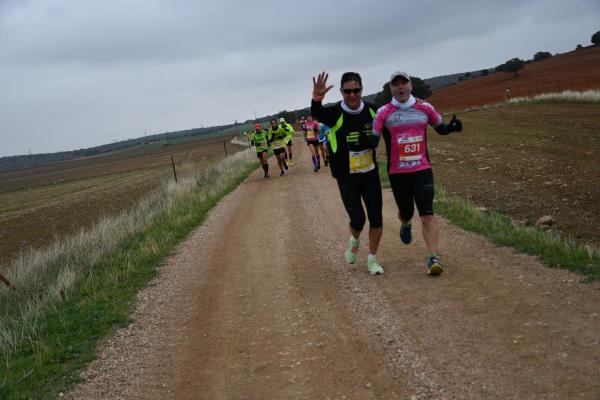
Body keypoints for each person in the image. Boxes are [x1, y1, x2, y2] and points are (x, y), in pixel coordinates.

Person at [372, 71, 463, 275]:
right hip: (397, 173)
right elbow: (373, 139)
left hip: (422, 170)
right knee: (407, 212)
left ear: (411, 86)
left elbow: (441, 128)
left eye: (404, 83)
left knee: (427, 214)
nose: (400, 87)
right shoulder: (383, 112)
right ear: (391, 89)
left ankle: (433, 258)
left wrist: (453, 128)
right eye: (396, 84)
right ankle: (405, 223)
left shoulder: (425, 108)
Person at [311, 71, 384, 276]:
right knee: (358, 219)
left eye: (356, 90)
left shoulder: (372, 111)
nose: (352, 95)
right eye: (347, 91)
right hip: (346, 177)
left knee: (376, 218)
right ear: (342, 92)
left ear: (362, 89)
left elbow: (391, 120)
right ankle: (354, 239)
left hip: (369, 174)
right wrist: (317, 98)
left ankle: (372, 259)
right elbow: (317, 112)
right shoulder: (335, 113)